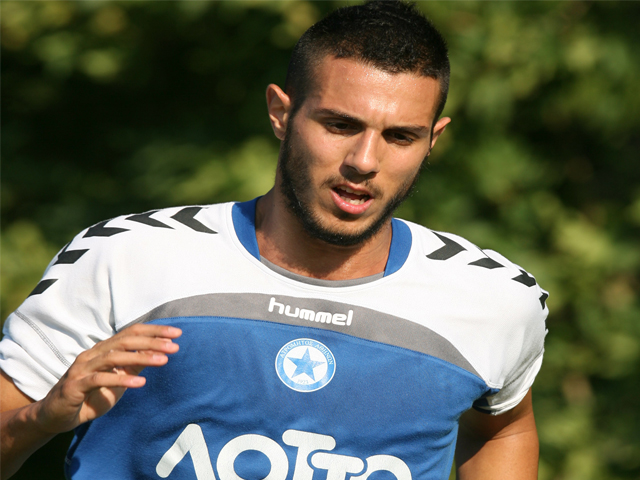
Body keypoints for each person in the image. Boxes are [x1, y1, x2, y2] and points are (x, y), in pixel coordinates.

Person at [0, 2, 548, 479]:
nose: (364, 161)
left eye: (400, 136)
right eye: (339, 125)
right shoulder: (126, 257)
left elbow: (503, 429)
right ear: (282, 113)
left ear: (433, 139)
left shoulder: (495, 299)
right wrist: (39, 419)